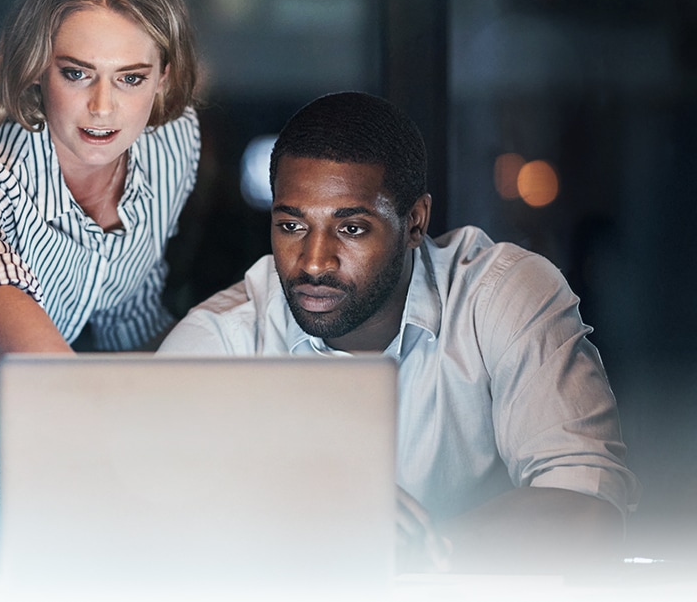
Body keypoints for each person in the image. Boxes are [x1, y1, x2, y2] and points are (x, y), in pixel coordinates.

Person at [158, 91, 639, 574]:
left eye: (351, 229)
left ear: (414, 223)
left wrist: (418, 554)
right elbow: (146, 532)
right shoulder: (218, 343)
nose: (314, 262)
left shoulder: (499, 297)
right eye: (291, 226)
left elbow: (590, 507)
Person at [0, 0, 201, 386]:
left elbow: (129, 316)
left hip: (65, 406)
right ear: (38, 65)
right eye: (76, 73)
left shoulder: (170, 140)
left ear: (163, 78)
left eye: (130, 78)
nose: (102, 107)